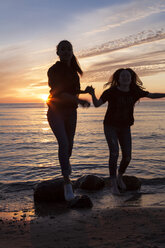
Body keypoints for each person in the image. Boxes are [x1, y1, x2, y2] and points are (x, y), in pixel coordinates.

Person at [86, 68, 165, 195]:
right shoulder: (110, 92)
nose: (125, 78)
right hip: (110, 126)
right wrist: (92, 94)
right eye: (123, 76)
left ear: (131, 78)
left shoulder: (135, 91)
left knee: (127, 156)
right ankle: (113, 185)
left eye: (128, 76)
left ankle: (120, 176)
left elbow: (151, 95)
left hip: (125, 127)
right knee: (114, 153)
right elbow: (97, 104)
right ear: (118, 78)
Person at [47, 40, 90, 201]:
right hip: (56, 111)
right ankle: (67, 183)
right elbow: (59, 93)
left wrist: (84, 92)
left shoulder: (73, 71)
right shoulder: (53, 70)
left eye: (69, 49)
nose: (66, 52)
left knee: (69, 146)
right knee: (63, 144)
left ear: (72, 52)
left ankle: (66, 166)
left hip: (71, 112)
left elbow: (71, 91)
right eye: (63, 49)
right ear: (57, 52)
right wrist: (79, 100)